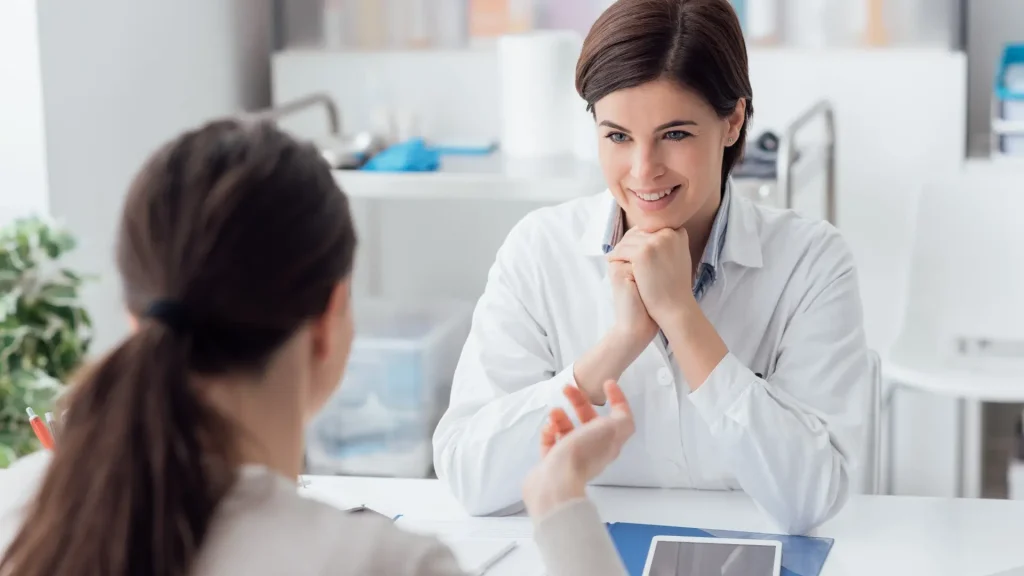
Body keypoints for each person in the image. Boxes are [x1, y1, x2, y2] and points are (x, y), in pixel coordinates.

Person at [0, 120, 633, 576]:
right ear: (330, 319)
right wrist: (561, 506)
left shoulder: (20, 508)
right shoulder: (381, 563)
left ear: (134, 317)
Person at [433, 0, 870, 535]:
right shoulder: (538, 250)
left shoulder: (811, 261)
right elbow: (469, 478)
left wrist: (681, 317)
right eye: (618, 136)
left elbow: (812, 499)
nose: (643, 171)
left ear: (733, 121)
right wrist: (618, 346)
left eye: (675, 134)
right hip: (591, 552)